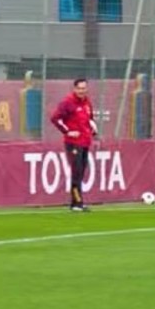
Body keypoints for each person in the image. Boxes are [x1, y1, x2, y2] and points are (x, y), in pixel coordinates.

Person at [50, 78, 98, 212]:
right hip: (73, 143)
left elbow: (90, 119)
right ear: (75, 89)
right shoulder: (68, 102)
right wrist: (67, 132)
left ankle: (77, 201)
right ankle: (76, 203)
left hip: (85, 141)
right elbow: (55, 118)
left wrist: (92, 129)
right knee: (76, 171)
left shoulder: (87, 102)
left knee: (81, 171)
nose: (82, 91)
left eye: (84, 88)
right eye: (80, 88)